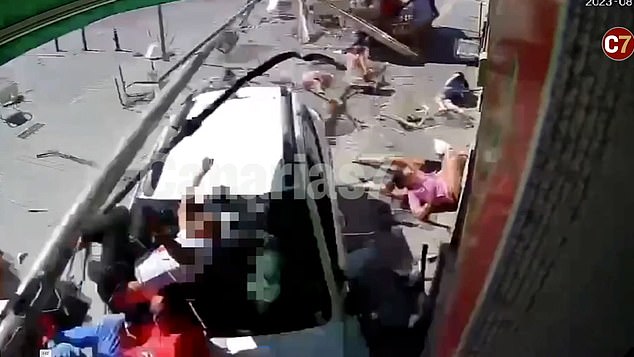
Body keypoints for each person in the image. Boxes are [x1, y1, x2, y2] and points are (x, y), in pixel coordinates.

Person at [45, 287, 209, 357]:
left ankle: (44, 350)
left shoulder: (184, 342)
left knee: (62, 351)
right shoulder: (172, 331)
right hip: (121, 352)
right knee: (111, 325)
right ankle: (52, 339)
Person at [380, 150, 468, 228]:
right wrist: (425, 209)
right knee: (453, 159)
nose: (411, 171)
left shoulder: (419, 176)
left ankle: (464, 160)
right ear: (405, 181)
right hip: (449, 191)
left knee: (450, 153)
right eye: (408, 173)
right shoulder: (413, 194)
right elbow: (416, 213)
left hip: (445, 181)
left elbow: (436, 177)